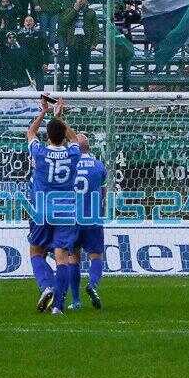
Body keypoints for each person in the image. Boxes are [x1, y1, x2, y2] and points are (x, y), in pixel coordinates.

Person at [26, 96, 81, 314]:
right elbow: (74, 138)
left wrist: (44, 112)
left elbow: (30, 133)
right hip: (66, 210)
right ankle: (58, 306)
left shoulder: (39, 152)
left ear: (47, 135)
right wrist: (60, 116)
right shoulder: (72, 153)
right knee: (62, 257)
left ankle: (47, 285)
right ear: (63, 134)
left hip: (42, 210)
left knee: (36, 252)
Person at [67, 133, 107, 310]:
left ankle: (76, 301)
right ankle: (92, 285)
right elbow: (103, 189)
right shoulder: (98, 165)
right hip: (93, 217)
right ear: (89, 147)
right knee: (96, 256)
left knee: (73, 258)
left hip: (72, 218)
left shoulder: (69, 164)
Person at [60, 0, 99, 91]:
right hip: (73, 42)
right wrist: (75, 10)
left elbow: (96, 29)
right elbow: (65, 21)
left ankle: (84, 89)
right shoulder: (69, 10)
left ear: (86, 2)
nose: (80, 0)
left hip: (85, 42)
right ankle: (73, 89)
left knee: (85, 67)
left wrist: (94, 43)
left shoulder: (91, 12)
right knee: (73, 67)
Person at [19, 15, 50, 91]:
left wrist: (46, 63)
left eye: (30, 21)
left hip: (38, 64)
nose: (28, 22)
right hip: (24, 65)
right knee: (25, 89)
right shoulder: (19, 35)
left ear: (34, 23)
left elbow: (46, 50)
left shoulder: (40, 34)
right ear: (24, 23)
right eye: (27, 21)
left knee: (40, 88)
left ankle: (41, 98)